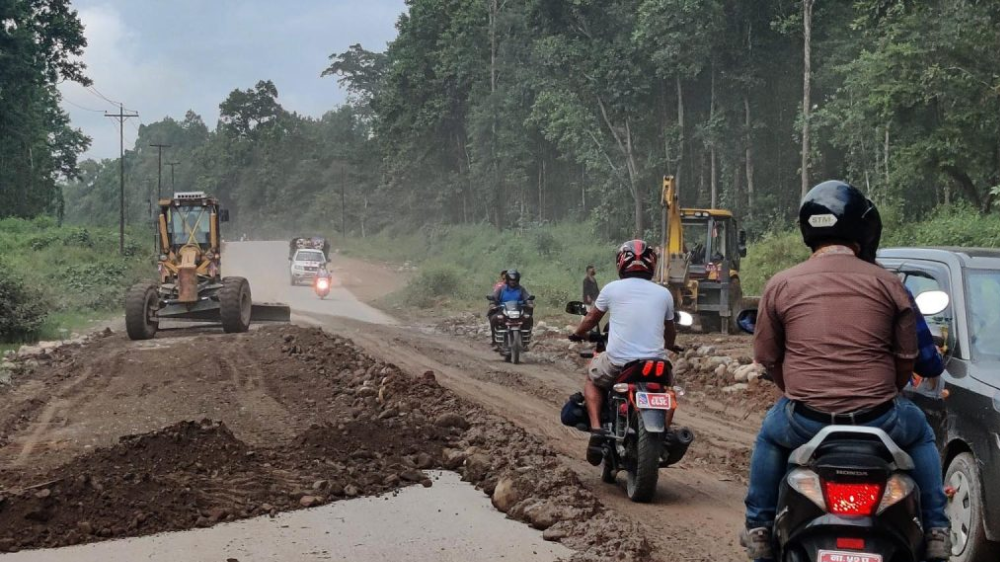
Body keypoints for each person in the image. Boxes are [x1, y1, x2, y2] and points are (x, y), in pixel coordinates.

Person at [740, 181, 950, 562]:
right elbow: (908, 359)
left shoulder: (781, 284)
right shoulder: (889, 284)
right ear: (861, 229)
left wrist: (797, 393)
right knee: (921, 435)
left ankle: (758, 528)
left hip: (804, 420)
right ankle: (936, 528)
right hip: (882, 419)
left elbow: (769, 359)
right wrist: (887, 389)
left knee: (770, 437)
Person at [568, 240, 677, 465]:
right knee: (666, 391)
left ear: (621, 263)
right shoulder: (664, 294)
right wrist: (669, 345)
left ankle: (597, 429)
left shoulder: (611, 289)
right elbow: (670, 332)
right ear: (652, 264)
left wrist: (577, 333)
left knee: (592, 377)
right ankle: (664, 432)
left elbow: (591, 318)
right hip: (656, 365)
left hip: (620, 363)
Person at [489, 270, 532, 347]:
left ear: (517, 280)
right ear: (507, 280)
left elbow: (527, 297)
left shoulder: (521, 289)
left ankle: (525, 342)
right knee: (493, 319)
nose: (512, 282)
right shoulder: (501, 289)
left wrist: (529, 303)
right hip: (503, 310)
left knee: (529, 318)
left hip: (519, 311)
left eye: (514, 280)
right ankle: (494, 341)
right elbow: (494, 297)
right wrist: (492, 303)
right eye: (511, 280)